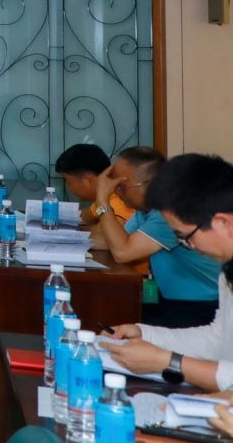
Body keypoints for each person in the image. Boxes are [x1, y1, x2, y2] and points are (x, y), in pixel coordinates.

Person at [100, 154, 233, 390]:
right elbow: (218, 338)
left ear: (224, 223)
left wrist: (169, 362)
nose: (189, 246)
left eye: (184, 236)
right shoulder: (227, 270)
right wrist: (144, 334)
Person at [91, 148, 220, 328]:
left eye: (121, 186)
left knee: (116, 323)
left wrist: (103, 201)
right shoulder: (146, 210)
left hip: (201, 307)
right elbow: (112, 242)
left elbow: (122, 252)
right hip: (171, 300)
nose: (116, 192)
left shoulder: (168, 212)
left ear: (150, 185)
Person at [55, 143, 117, 228]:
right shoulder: (103, 199)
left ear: (87, 180)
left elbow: (102, 235)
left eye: (68, 181)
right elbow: (87, 215)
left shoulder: (117, 201)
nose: (68, 187)